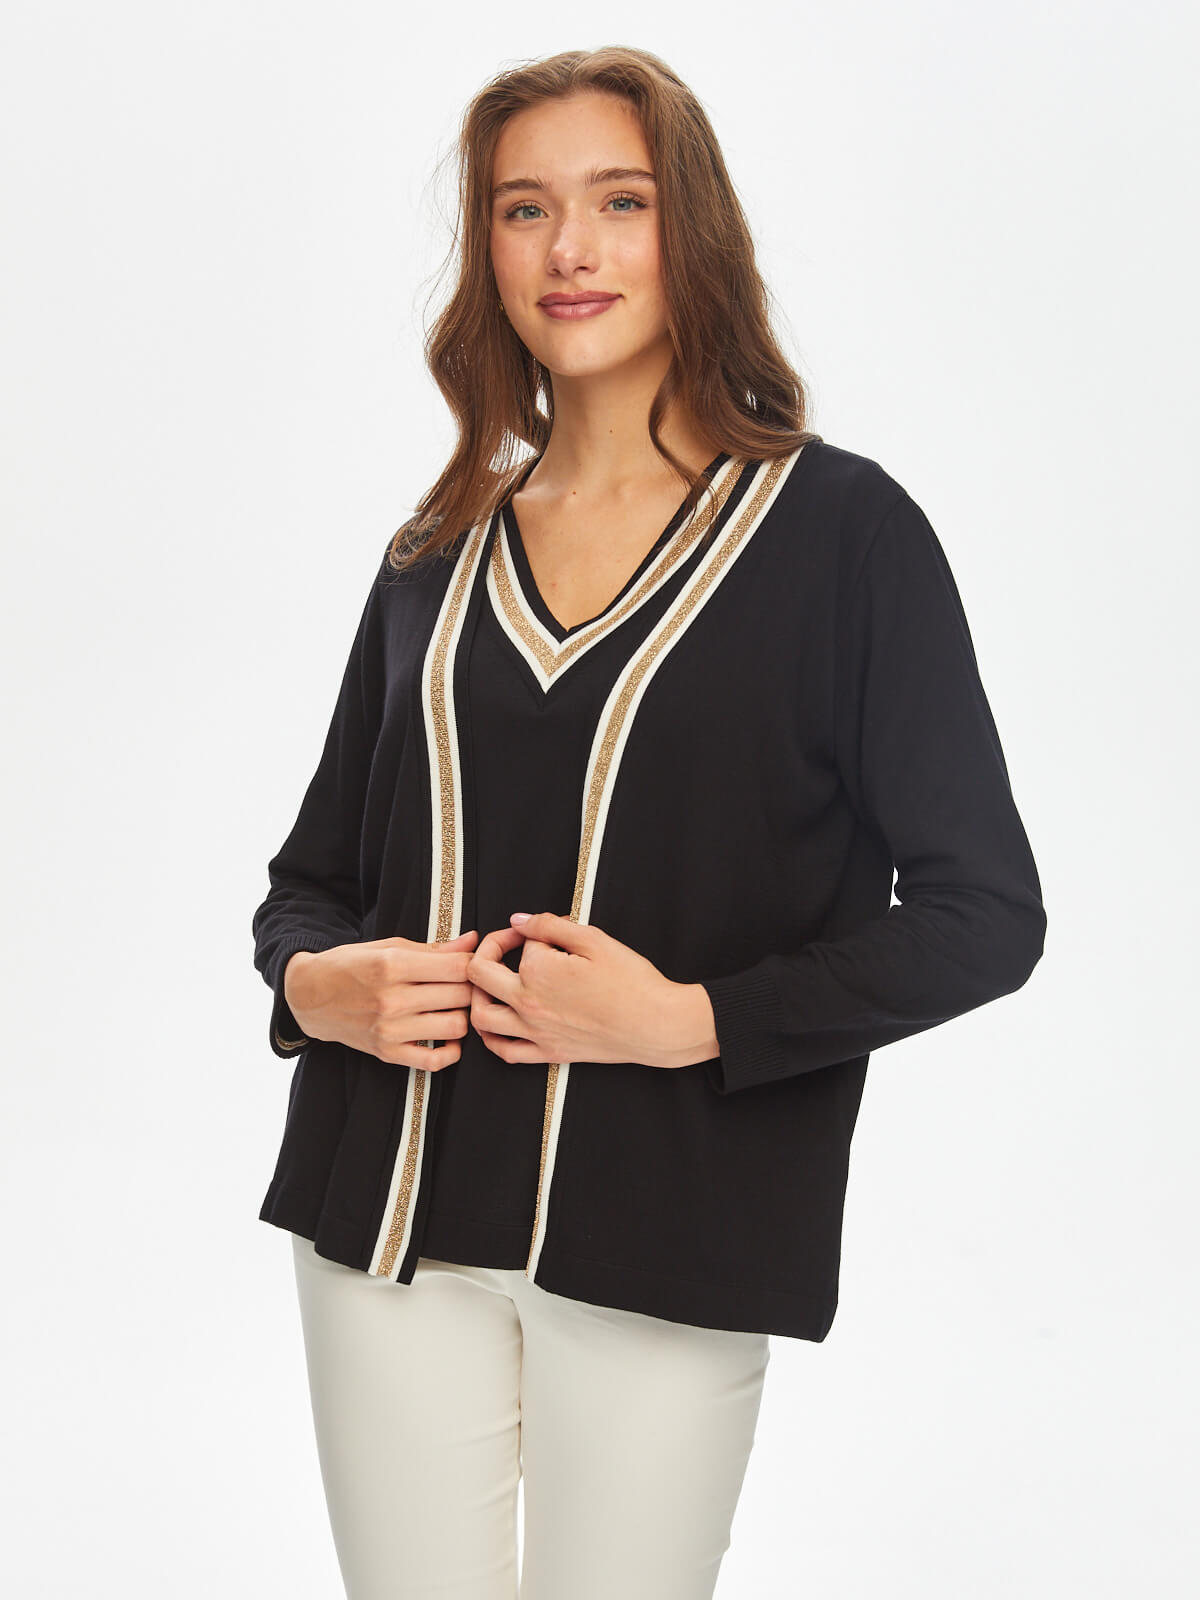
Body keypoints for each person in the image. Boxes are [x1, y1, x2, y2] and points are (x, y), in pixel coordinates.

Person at [250, 45, 1047, 1600]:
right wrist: (317, 985)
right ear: (487, 251)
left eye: (620, 201)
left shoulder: (843, 535)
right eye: (523, 208)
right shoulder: (434, 554)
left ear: (694, 228)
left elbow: (985, 914)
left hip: (673, 1227)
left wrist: (690, 1021)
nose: (572, 247)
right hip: (386, 1213)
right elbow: (310, 883)